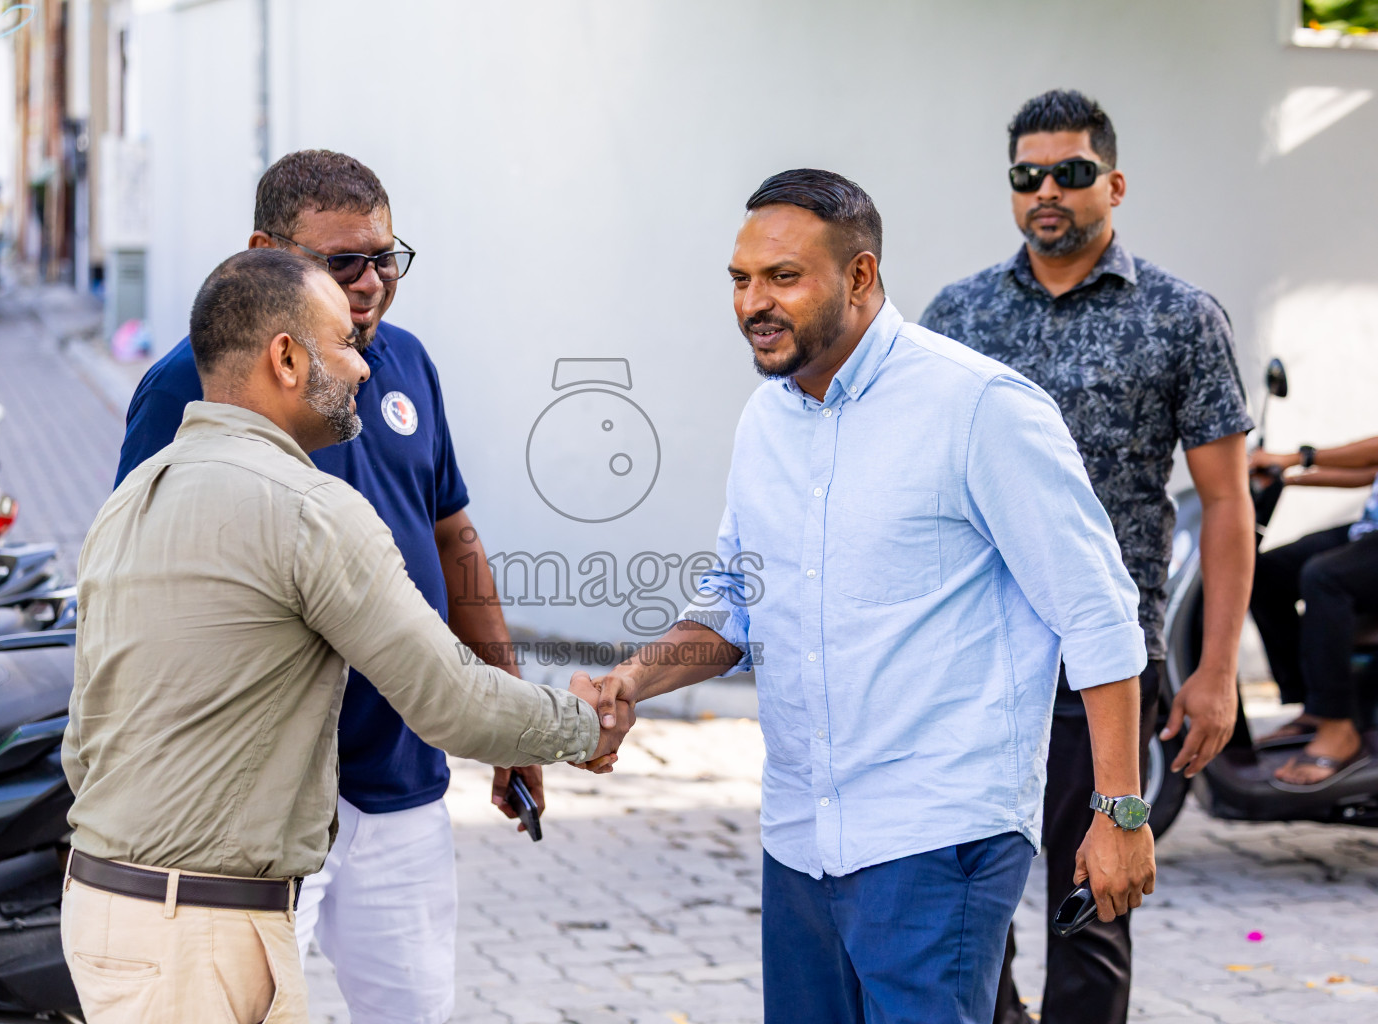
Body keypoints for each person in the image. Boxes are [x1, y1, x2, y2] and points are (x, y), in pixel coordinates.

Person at [585, 168, 1155, 1024]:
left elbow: (1098, 611)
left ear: (859, 276)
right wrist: (630, 680)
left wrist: (1120, 811)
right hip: (801, 840)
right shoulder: (765, 420)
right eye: (741, 280)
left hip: (937, 839)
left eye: (783, 277)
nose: (753, 303)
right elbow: (735, 608)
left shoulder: (979, 408)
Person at [62, 248, 627, 1024]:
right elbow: (451, 700)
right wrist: (584, 722)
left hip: (105, 906)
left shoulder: (129, 501)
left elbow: (84, 734)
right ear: (286, 359)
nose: (363, 367)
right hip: (198, 931)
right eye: (342, 345)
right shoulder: (307, 508)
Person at [114, 150, 528, 1023]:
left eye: (385, 257)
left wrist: (507, 713)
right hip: (252, 807)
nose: (371, 282)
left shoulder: (407, 364)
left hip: (397, 777)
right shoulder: (186, 387)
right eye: (343, 263)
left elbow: (453, 535)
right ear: (266, 252)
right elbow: (139, 583)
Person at [920, 89, 1257, 1024]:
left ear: (1113, 183)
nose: (1047, 193)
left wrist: (1216, 670)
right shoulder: (960, 313)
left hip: (1104, 656)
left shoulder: (1181, 318)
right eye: (1028, 177)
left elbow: (1226, 503)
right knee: (959, 898)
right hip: (974, 652)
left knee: (1095, 907)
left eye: (1070, 173)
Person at [1249, 435, 1378, 786]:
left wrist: (1299, 456)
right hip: (1368, 530)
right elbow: (1369, 471)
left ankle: (1339, 726)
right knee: (1263, 574)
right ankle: (1312, 706)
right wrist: (1285, 477)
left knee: (1325, 577)